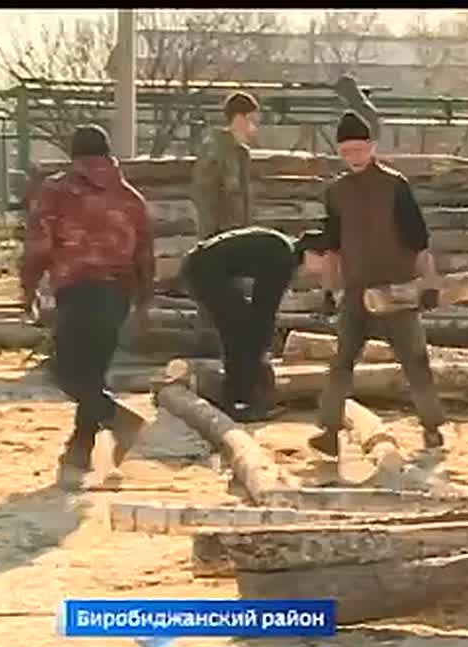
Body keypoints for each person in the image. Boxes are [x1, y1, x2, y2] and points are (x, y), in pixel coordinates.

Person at [19, 125, 151, 485]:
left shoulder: (58, 192)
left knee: (64, 371)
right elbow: (145, 254)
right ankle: (79, 450)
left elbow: (39, 246)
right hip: (118, 294)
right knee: (92, 372)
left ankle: (120, 420)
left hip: (79, 289)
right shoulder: (131, 198)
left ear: (74, 156)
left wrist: (28, 288)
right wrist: (143, 301)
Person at [310, 111, 446, 455]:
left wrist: (429, 284)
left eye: (359, 149)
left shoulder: (395, 185)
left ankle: (431, 426)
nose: (353, 157)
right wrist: (328, 290)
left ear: (371, 147)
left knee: (415, 360)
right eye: (346, 151)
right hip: (356, 290)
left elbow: (419, 240)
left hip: (396, 289)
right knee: (342, 362)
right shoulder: (336, 192)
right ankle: (329, 430)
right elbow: (332, 246)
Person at [180, 226, 336, 422]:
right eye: (328, 261)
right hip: (203, 271)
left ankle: (238, 395)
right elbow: (264, 308)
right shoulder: (283, 258)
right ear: (314, 254)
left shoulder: (283, 250)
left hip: (202, 267)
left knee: (243, 329)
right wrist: (262, 350)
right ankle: (239, 401)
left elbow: (261, 308)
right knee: (242, 331)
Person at [192, 91, 259, 240]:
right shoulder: (214, 151)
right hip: (219, 236)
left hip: (237, 235)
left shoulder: (241, 154)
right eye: (251, 120)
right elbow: (206, 199)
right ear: (239, 119)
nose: (254, 129)